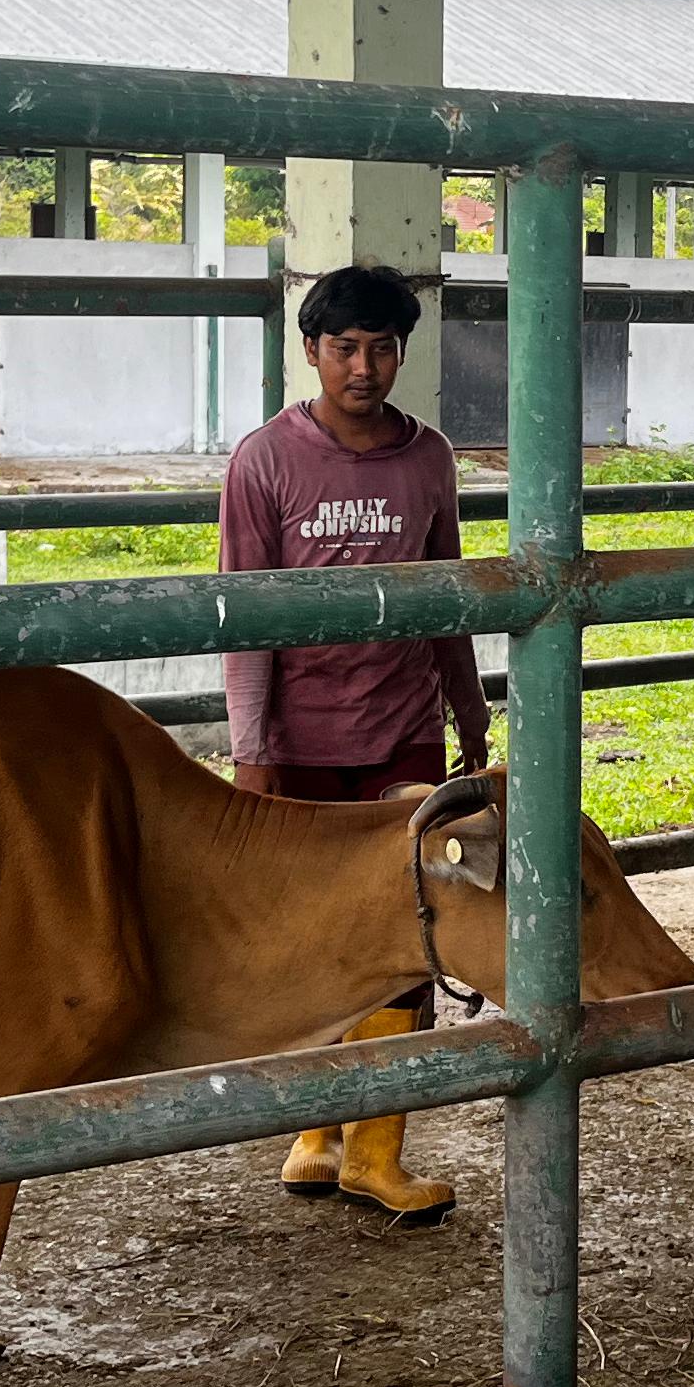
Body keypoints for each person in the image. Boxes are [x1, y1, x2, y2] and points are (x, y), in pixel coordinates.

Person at [221, 261, 490, 1223]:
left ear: (403, 354)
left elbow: (449, 593)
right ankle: (315, 1133)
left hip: (402, 731)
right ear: (312, 351)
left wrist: (469, 710)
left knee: (412, 933)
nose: (363, 368)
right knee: (314, 938)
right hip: (299, 740)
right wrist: (253, 749)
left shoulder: (429, 459)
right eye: (345, 348)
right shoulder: (265, 460)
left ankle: (378, 1152)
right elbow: (247, 616)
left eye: (382, 348)